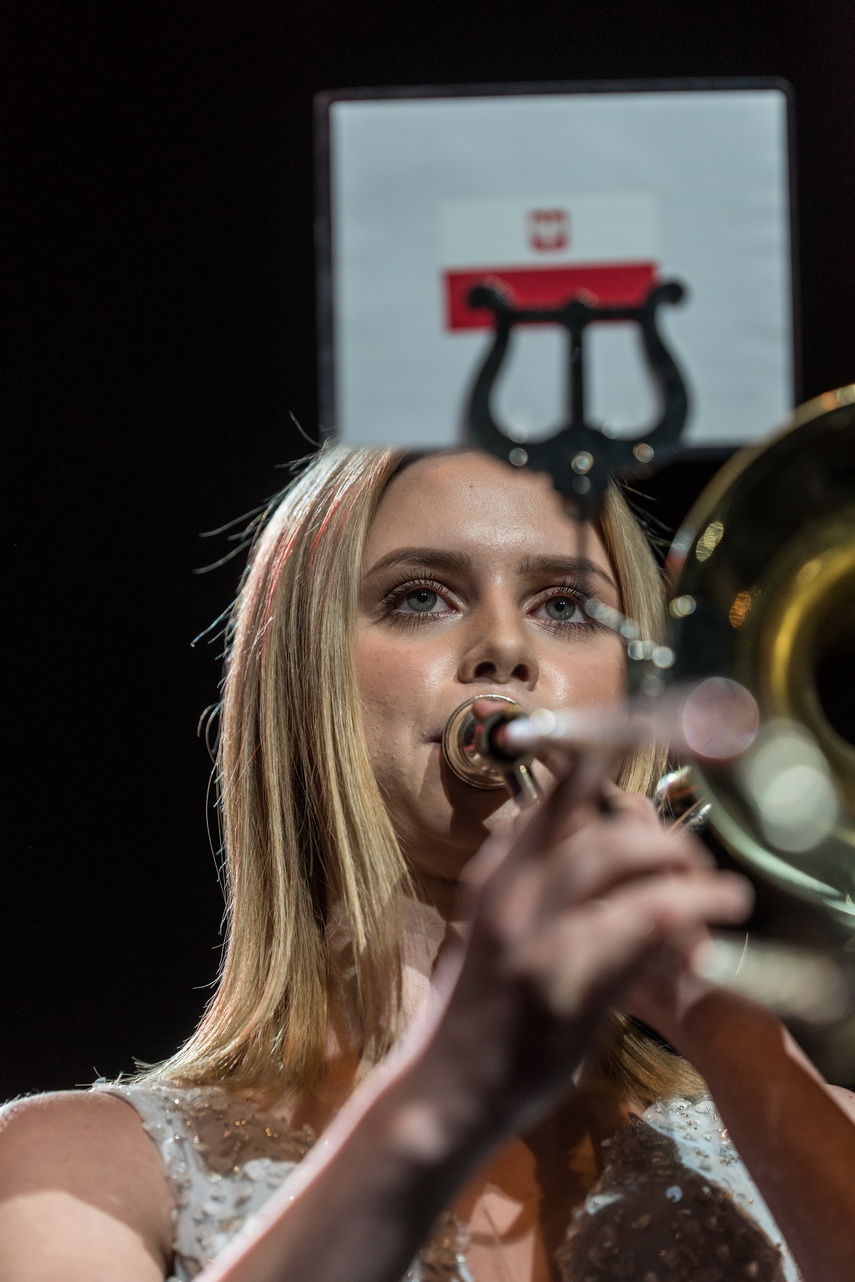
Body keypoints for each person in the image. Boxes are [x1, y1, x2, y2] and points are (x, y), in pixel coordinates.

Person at [2, 444, 855, 1282]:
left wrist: (719, 1021)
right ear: (303, 676)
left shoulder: (817, 1133)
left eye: (565, 606)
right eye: (420, 597)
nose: (504, 647)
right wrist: (447, 1087)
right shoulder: (72, 1168)